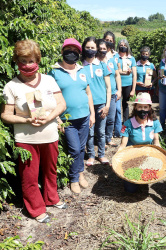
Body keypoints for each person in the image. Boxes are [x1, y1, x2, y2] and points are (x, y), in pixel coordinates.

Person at [1, 39, 67, 223]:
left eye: (31, 60)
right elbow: (6, 115)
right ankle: (36, 209)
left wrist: (50, 116)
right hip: (26, 138)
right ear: (17, 62)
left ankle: (52, 198)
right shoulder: (11, 86)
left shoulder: (49, 80)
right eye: (23, 61)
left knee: (50, 170)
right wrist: (26, 119)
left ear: (37, 60)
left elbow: (62, 103)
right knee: (29, 176)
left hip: (50, 133)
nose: (28, 65)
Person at [48, 38, 95, 194]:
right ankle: (74, 178)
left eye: (75, 51)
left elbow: (88, 93)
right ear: (62, 52)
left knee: (82, 147)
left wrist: (92, 113)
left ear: (79, 54)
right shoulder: (54, 72)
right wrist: (57, 119)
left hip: (84, 116)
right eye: (68, 50)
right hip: (67, 119)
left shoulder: (82, 70)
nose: (71, 53)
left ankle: (81, 173)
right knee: (74, 149)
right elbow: (49, 98)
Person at [118, 92, 163, 192]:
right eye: (140, 107)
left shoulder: (154, 122)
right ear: (135, 108)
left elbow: (156, 142)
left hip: (147, 156)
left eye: (145, 107)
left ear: (149, 108)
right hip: (131, 156)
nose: (142, 110)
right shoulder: (128, 124)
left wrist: (161, 154)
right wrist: (117, 157)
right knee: (130, 190)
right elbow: (123, 145)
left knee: (146, 178)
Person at [81, 37, 112, 166]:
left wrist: (107, 105)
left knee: (101, 130)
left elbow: (109, 87)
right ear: (83, 48)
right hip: (87, 104)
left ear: (96, 49)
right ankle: (91, 156)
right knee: (90, 131)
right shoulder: (80, 66)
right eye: (87, 47)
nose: (90, 50)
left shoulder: (102, 65)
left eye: (93, 48)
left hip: (101, 104)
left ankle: (101, 155)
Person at [103, 31, 122, 138]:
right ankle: (101, 138)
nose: (108, 42)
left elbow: (117, 75)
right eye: (106, 40)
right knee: (103, 117)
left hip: (113, 91)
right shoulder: (99, 55)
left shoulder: (113, 57)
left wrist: (119, 90)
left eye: (110, 41)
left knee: (111, 117)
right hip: (103, 91)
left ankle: (108, 137)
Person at [117, 39, 137, 123]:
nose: (123, 47)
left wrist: (133, 90)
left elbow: (134, 75)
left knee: (125, 104)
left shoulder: (131, 58)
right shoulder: (116, 57)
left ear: (127, 47)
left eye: (125, 45)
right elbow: (117, 70)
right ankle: (117, 124)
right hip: (117, 84)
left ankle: (125, 123)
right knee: (117, 106)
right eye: (121, 45)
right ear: (118, 46)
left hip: (128, 84)